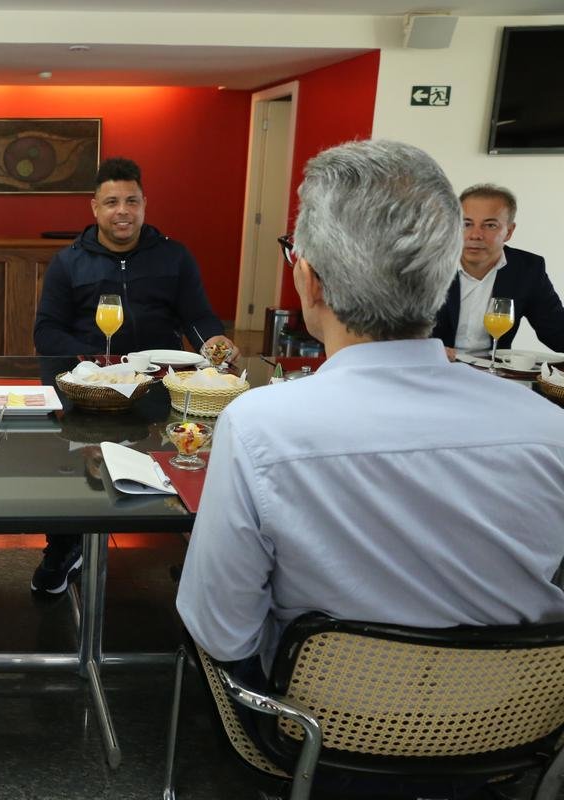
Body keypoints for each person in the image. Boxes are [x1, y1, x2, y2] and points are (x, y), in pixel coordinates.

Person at [176, 141, 564, 746]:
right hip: (510, 725)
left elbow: (220, 628)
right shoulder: (548, 427)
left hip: (317, 731)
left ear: (310, 279)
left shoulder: (259, 426)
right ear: (445, 271)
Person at [29, 157, 236, 593]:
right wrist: (91, 365)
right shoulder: (69, 262)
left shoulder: (174, 256)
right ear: (94, 208)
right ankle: (64, 547)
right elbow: (46, 330)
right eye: (111, 202)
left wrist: (213, 341)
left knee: (183, 464)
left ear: (144, 204)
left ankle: (201, 553)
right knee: (73, 471)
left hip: (162, 385)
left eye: (132, 201)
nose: (122, 210)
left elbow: (197, 316)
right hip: (90, 388)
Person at [432, 183, 564, 356]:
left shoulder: (527, 269)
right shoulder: (426, 263)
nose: (475, 235)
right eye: (467, 224)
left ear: (509, 231)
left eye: (490, 225)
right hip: (435, 369)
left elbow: (557, 335)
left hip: (495, 373)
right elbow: (392, 330)